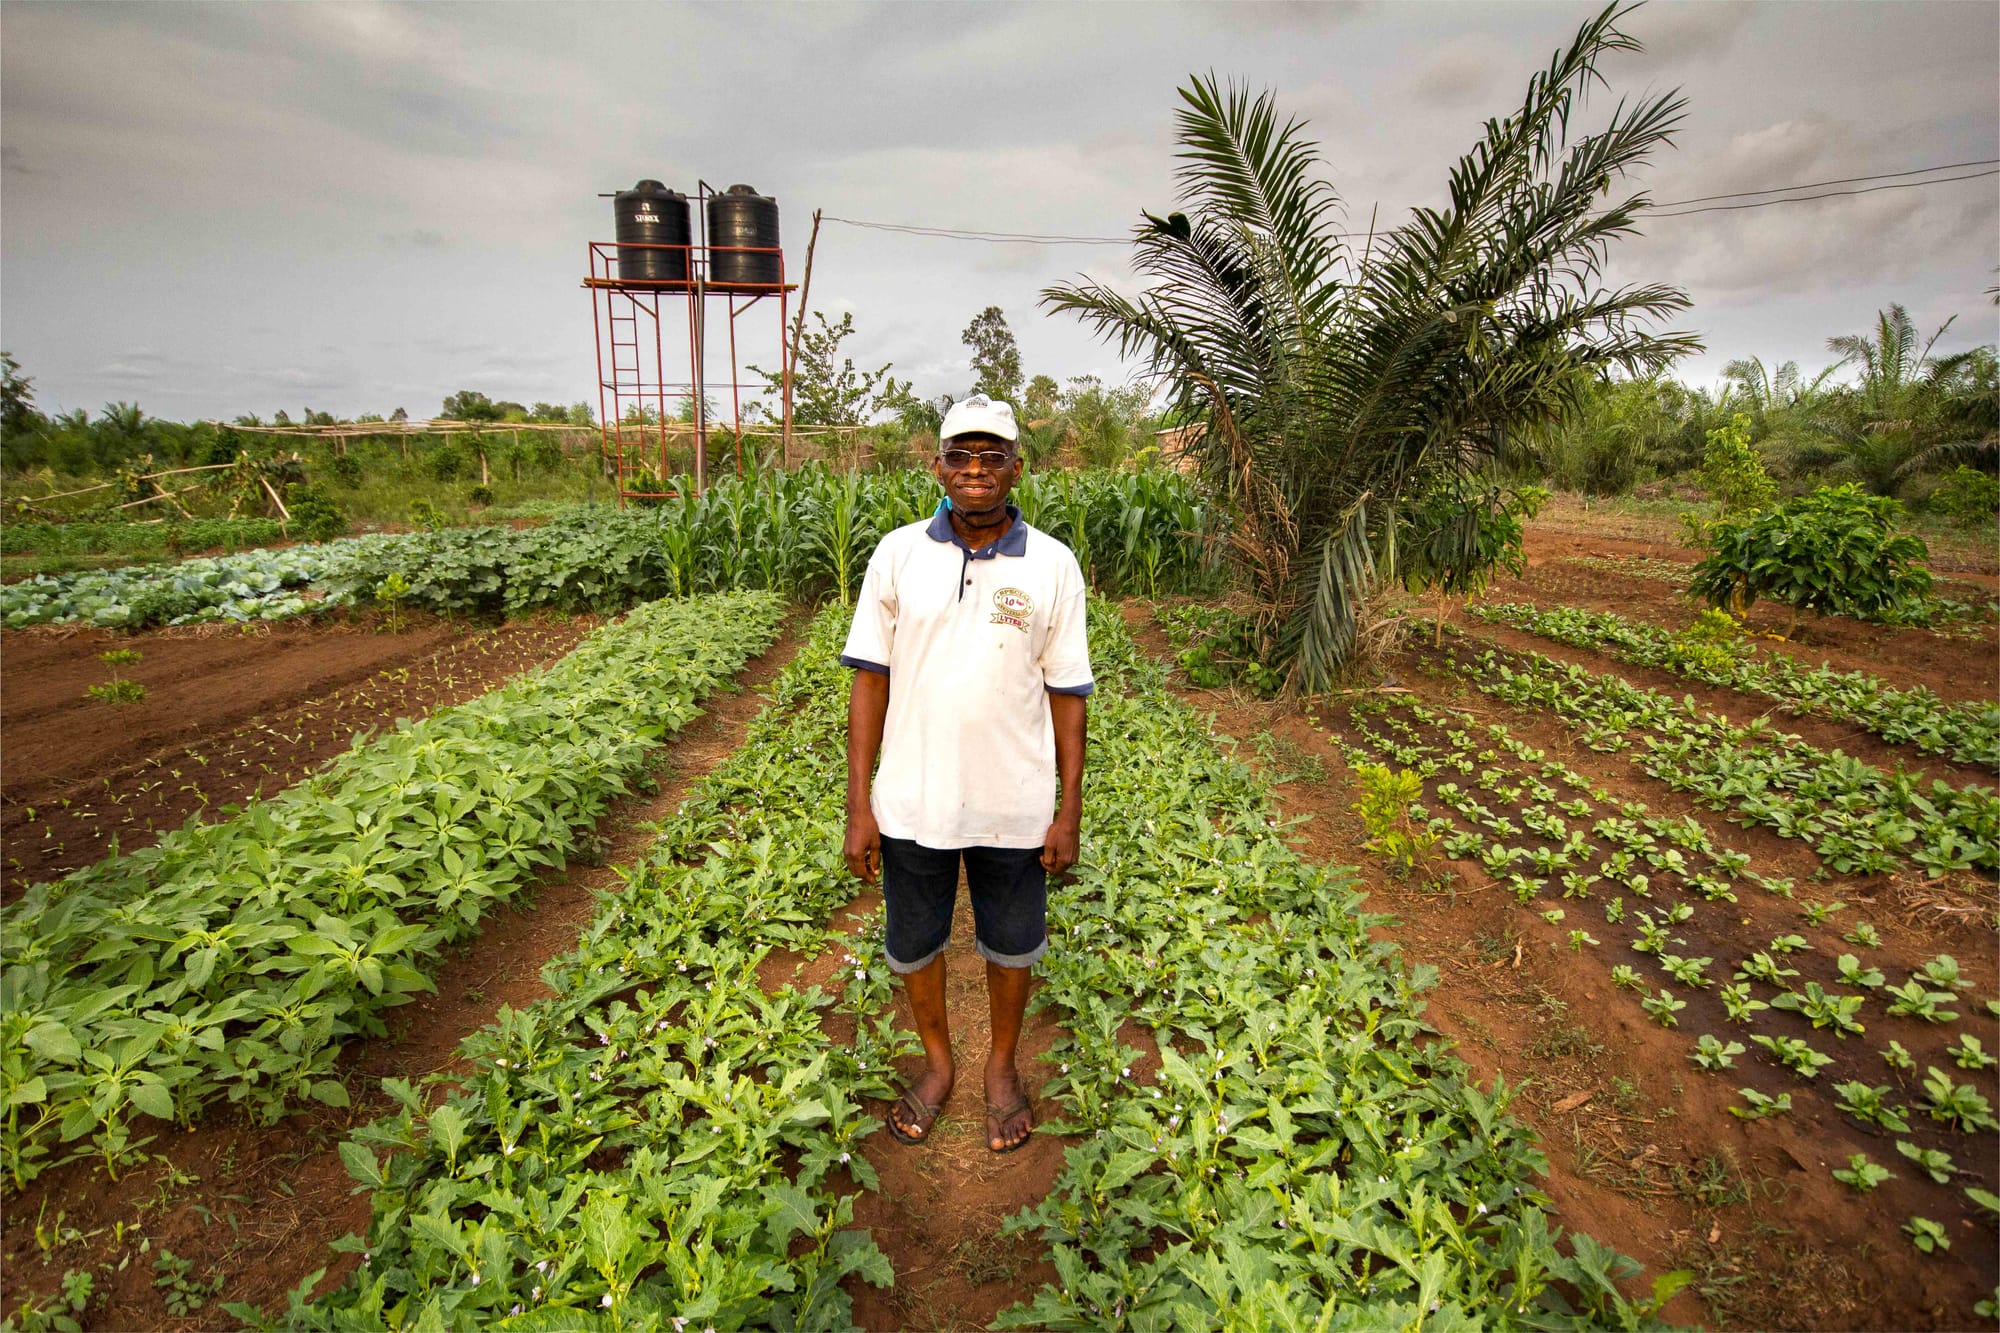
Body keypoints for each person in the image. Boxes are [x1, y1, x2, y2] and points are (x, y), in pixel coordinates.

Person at [840, 394, 1092, 1154]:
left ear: (1017, 467)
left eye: (992, 457)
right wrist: (859, 803)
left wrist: (1068, 808)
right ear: (937, 466)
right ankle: (940, 1062)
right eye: (960, 455)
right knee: (915, 942)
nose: (975, 470)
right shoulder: (897, 554)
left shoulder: (1053, 563)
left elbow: (1068, 692)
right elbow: (869, 682)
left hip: (1012, 803)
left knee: (1011, 944)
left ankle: (1003, 1067)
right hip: (912, 800)